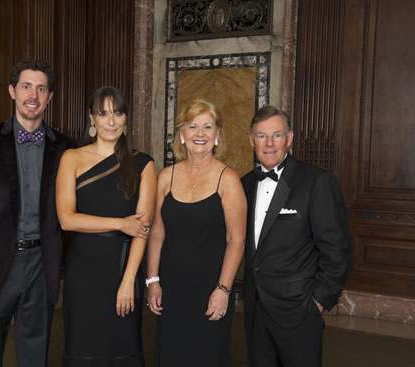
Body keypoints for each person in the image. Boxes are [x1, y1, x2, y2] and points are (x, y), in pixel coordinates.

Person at [0, 59, 75, 367]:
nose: (32, 96)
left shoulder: (66, 148)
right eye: (26, 87)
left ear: (50, 96)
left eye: (41, 88)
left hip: (41, 266)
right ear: (12, 91)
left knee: (34, 358)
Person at [241, 105, 350, 367]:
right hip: (255, 308)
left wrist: (318, 302)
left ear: (289, 139)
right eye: (261, 136)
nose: (269, 143)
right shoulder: (243, 184)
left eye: (277, 135)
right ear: (251, 140)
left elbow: (336, 247)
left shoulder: (316, 181)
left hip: (299, 308)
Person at [56, 86, 156, 366]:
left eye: (118, 113)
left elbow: (143, 229)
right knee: (84, 347)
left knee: (122, 348)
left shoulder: (143, 164)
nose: (111, 121)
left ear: (126, 118)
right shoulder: (71, 158)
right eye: (103, 114)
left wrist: (128, 281)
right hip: (83, 271)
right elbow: (67, 219)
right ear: (91, 118)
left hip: (124, 267)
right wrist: (120, 224)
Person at [146, 99, 246, 366]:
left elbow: (236, 240)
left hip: (210, 289)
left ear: (217, 136)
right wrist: (152, 280)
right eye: (192, 126)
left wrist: (223, 289)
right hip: (171, 289)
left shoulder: (229, 179)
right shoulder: (165, 176)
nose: (199, 134)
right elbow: (156, 233)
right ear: (181, 134)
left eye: (207, 127)